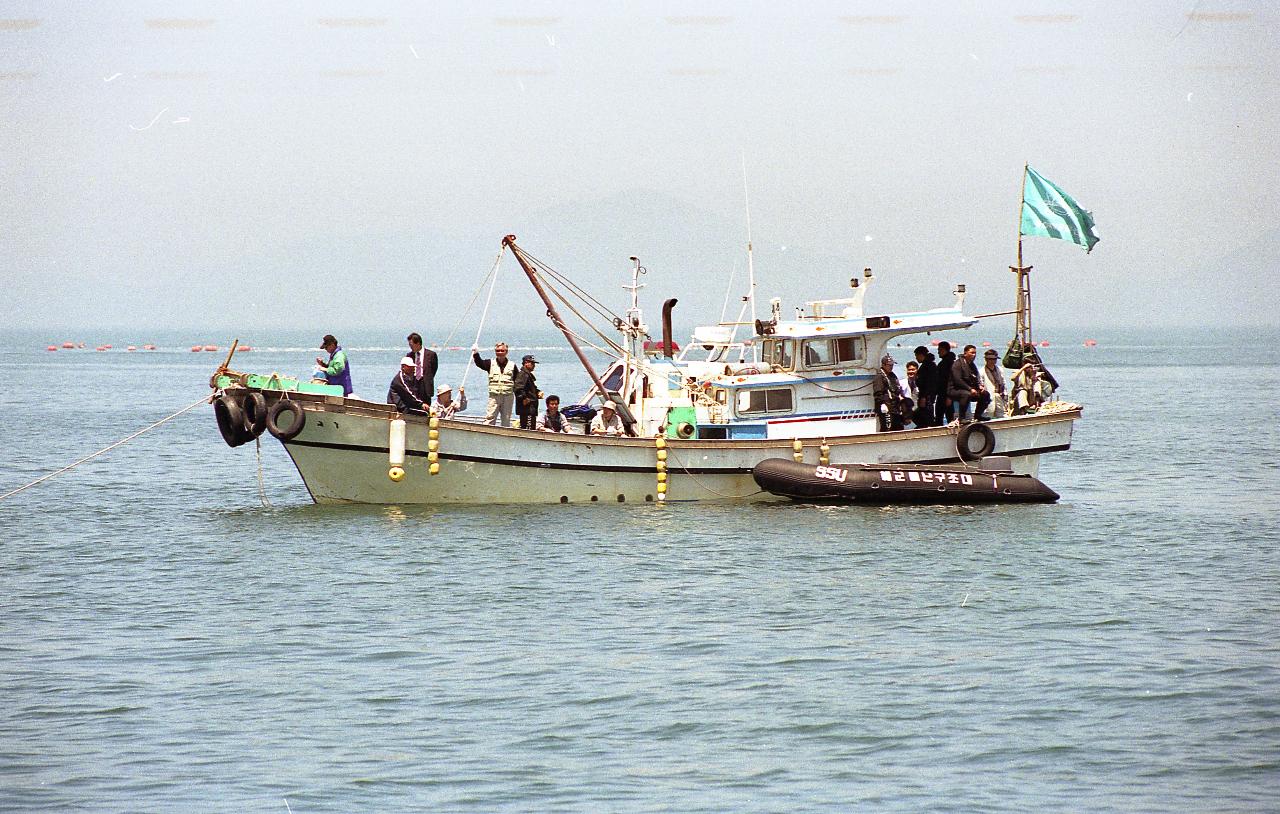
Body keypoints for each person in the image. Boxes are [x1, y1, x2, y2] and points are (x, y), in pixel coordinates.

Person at [471, 341, 517, 427]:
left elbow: (517, 381)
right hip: (494, 397)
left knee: (506, 420)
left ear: (506, 352)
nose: (500, 353)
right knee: (490, 418)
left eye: (502, 351)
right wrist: (476, 353)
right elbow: (479, 363)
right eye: (498, 351)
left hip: (508, 397)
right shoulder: (490, 363)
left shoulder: (512, 365)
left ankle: (504, 438)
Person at [948, 344, 991, 424]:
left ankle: (978, 415)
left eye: (975, 353)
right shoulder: (957, 364)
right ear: (965, 353)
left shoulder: (972, 365)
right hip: (954, 390)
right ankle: (961, 418)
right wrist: (970, 389)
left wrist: (979, 386)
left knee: (985, 395)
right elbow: (958, 380)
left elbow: (975, 378)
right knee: (966, 394)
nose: (974, 355)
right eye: (972, 353)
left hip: (968, 389)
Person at [872, 354, 905, 431]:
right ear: (883, 365)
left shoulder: (892, 376)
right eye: (889, 365)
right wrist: (882, 404)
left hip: (895, 408)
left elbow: (896, 389)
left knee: (898, 427)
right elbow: (878, 393)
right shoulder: (879, 377)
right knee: (887, 428)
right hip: (886, 409)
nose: (891, 367)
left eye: (892, 365)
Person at [406, 332, 438, 405]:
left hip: (425, 385)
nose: (410, 347)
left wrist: (427, 378)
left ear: (418, 343)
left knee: (426, 407)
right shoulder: (409, 355)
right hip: (414, 384)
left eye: (411, 345)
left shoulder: (431, 355)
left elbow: (434, 369)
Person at [512, 354, 542, 430]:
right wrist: (524, 398)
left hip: (530, 408)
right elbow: (518, 388)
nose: (534, 365)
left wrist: (538, 392)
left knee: (530, 427)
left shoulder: (527, 374)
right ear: (526, 363)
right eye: (532, 363)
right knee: (528, 429)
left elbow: (530, 388)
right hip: (527, 408)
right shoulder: (523, 374)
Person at [978, 348, 1008, 419]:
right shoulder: (981, 371)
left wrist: (1005, 396)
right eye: (990, 359)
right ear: (986, 360)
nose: (992, 361)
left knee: (1002, 415)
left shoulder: (999, 369)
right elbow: (981, 384)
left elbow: (1003, 383)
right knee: (988, 414)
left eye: (994, 359)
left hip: (999, 395)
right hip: (988, 397)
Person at [913, 345, 938, 427]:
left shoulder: (927, 366)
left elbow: (927, 383)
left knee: (926, 414)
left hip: (927, 396)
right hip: (927, 395)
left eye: (917, 356)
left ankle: (928, 427)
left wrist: (924, 397)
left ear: (921, 355)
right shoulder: (928, 365)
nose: (916, 358)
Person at [934, 341, 956, 426]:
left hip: (946, 395)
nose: (938, 352)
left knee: (945, 416)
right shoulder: (946, 362)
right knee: (942, 416)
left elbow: (949, 381)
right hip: (943, 394)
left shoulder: (947, 363)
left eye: (940, 350)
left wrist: (949, 396)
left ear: (945, 350)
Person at [903, 360, 921, 427]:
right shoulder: (902, 383)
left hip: (920, 411)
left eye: (913, 369)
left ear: (917, 370)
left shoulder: (921, 382)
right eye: (909, 370)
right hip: (908, 413)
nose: (911, 372)